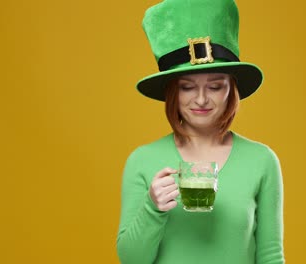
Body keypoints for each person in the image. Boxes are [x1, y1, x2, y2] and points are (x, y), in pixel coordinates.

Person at [116, 0, 285, 263]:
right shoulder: (142, 160)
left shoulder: (262, 161)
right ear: (172, 91)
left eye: (215, 86)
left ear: (232, 89)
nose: (202, 99)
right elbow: (131, 260)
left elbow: (270, 255)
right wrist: (153, 208)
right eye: (187, 87)